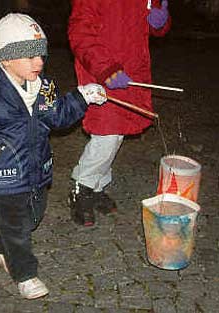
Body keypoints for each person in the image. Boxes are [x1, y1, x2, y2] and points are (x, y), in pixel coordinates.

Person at [0, 13, 107, 299]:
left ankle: (4, 246)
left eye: (41, 55)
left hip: (35, 169)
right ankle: (25, 274)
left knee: (31, 218)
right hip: (0, 177)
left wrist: (82, 97)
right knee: (16, 227)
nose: (39, 63)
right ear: (6, 59)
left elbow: (58, 116)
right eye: (29, 57)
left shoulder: (44, 86)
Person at [67, 0, 171, 227]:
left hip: (131, 70)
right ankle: (81, 185)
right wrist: (104, 67)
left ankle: (97, 186)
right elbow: (80, 32)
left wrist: (159, 22)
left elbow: (148, 26)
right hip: (103, 73)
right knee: (107, 134)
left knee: (117, 132)